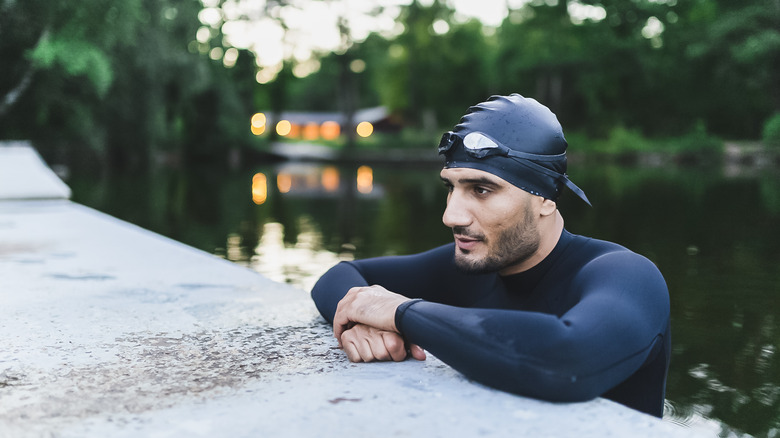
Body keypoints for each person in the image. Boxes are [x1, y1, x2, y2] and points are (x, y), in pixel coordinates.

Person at [310, 94, 671, 418]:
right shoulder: (475, 264)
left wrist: (401, 313)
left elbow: (567, 360)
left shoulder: (627, 276)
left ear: (546, 198)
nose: (451, 216)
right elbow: (341, 274)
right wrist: (359, 320)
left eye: (482, 190)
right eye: (450, 187)